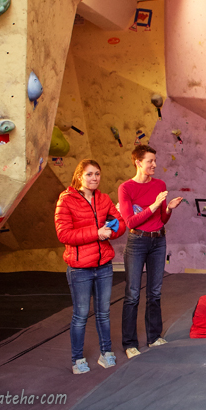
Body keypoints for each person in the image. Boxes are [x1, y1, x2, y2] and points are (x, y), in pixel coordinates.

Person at [55, 159, 126, 374]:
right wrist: (97, 233)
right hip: (79, 268)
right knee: (81, 314)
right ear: (79, 176)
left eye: (97, 174)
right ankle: (77, 359)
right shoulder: (66, 200)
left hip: (103, 265)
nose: (94, 178)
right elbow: (64, 234)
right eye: (89, 174)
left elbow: (121, 222)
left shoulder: (103, 199)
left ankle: (106, 353)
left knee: (104, 312)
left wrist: (111, 230)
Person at [118, 145, 183, 359]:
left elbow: (161, 219)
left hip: (158, 241)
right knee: (133, 294)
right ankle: (129, 343)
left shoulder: (160, 184)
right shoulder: (126, 188)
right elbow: (130, 221)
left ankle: (154, 337)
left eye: (155, 160)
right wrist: (155, 206)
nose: (154, 164)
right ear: (137, 162)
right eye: (150, 161)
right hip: (137, 242)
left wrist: (168, 209)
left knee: (155, 292)